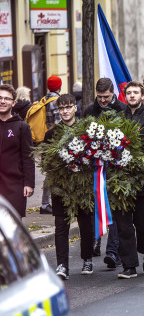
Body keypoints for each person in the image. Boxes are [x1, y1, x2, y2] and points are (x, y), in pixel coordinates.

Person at [111, 81, 144, 278]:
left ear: (142, 95)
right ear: (125, 96)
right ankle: (129, 265)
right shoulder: (116, 119)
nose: (132, 96)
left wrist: (136, 163)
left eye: (136, 92)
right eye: (129, 93)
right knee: (123, 224)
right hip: (120, 180)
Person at [45, 94, 95, 279]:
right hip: (61, 187)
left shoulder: (86, 130)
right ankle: (62, 265)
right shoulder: (51, 134)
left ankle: (87, 258)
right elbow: (46, 161)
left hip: (82, 185)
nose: (65, 111)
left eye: (68, 107)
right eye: (61, 108)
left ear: (76, 108)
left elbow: (94, 155)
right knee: (61, 226)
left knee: (85, 223)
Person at [83, 78, 127, 267]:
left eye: (106, 97)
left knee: (114, 209)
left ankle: (112, 251)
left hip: (117, 166)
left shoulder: (123, 110)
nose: (103, 100)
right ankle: (96, 240)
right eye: (100, 97)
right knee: (97, 206)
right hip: (95, 167)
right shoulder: (89, 111)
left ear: (113, 94)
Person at [0, 84, 34, 218]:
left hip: (14, 186)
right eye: (0, 98)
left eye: (7, 99)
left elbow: (28, 157)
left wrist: (29, 183)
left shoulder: (22, 127)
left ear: (14, 103)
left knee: (13, 230)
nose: (2, 101)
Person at [39, 76, 63, 215]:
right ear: (59, 86)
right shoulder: (55, 101)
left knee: (50, 172)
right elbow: (59, 122)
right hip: (54, 141)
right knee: (53, 173)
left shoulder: (44, 99)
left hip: (44, 140)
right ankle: (45, 204)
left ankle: (46, 203)